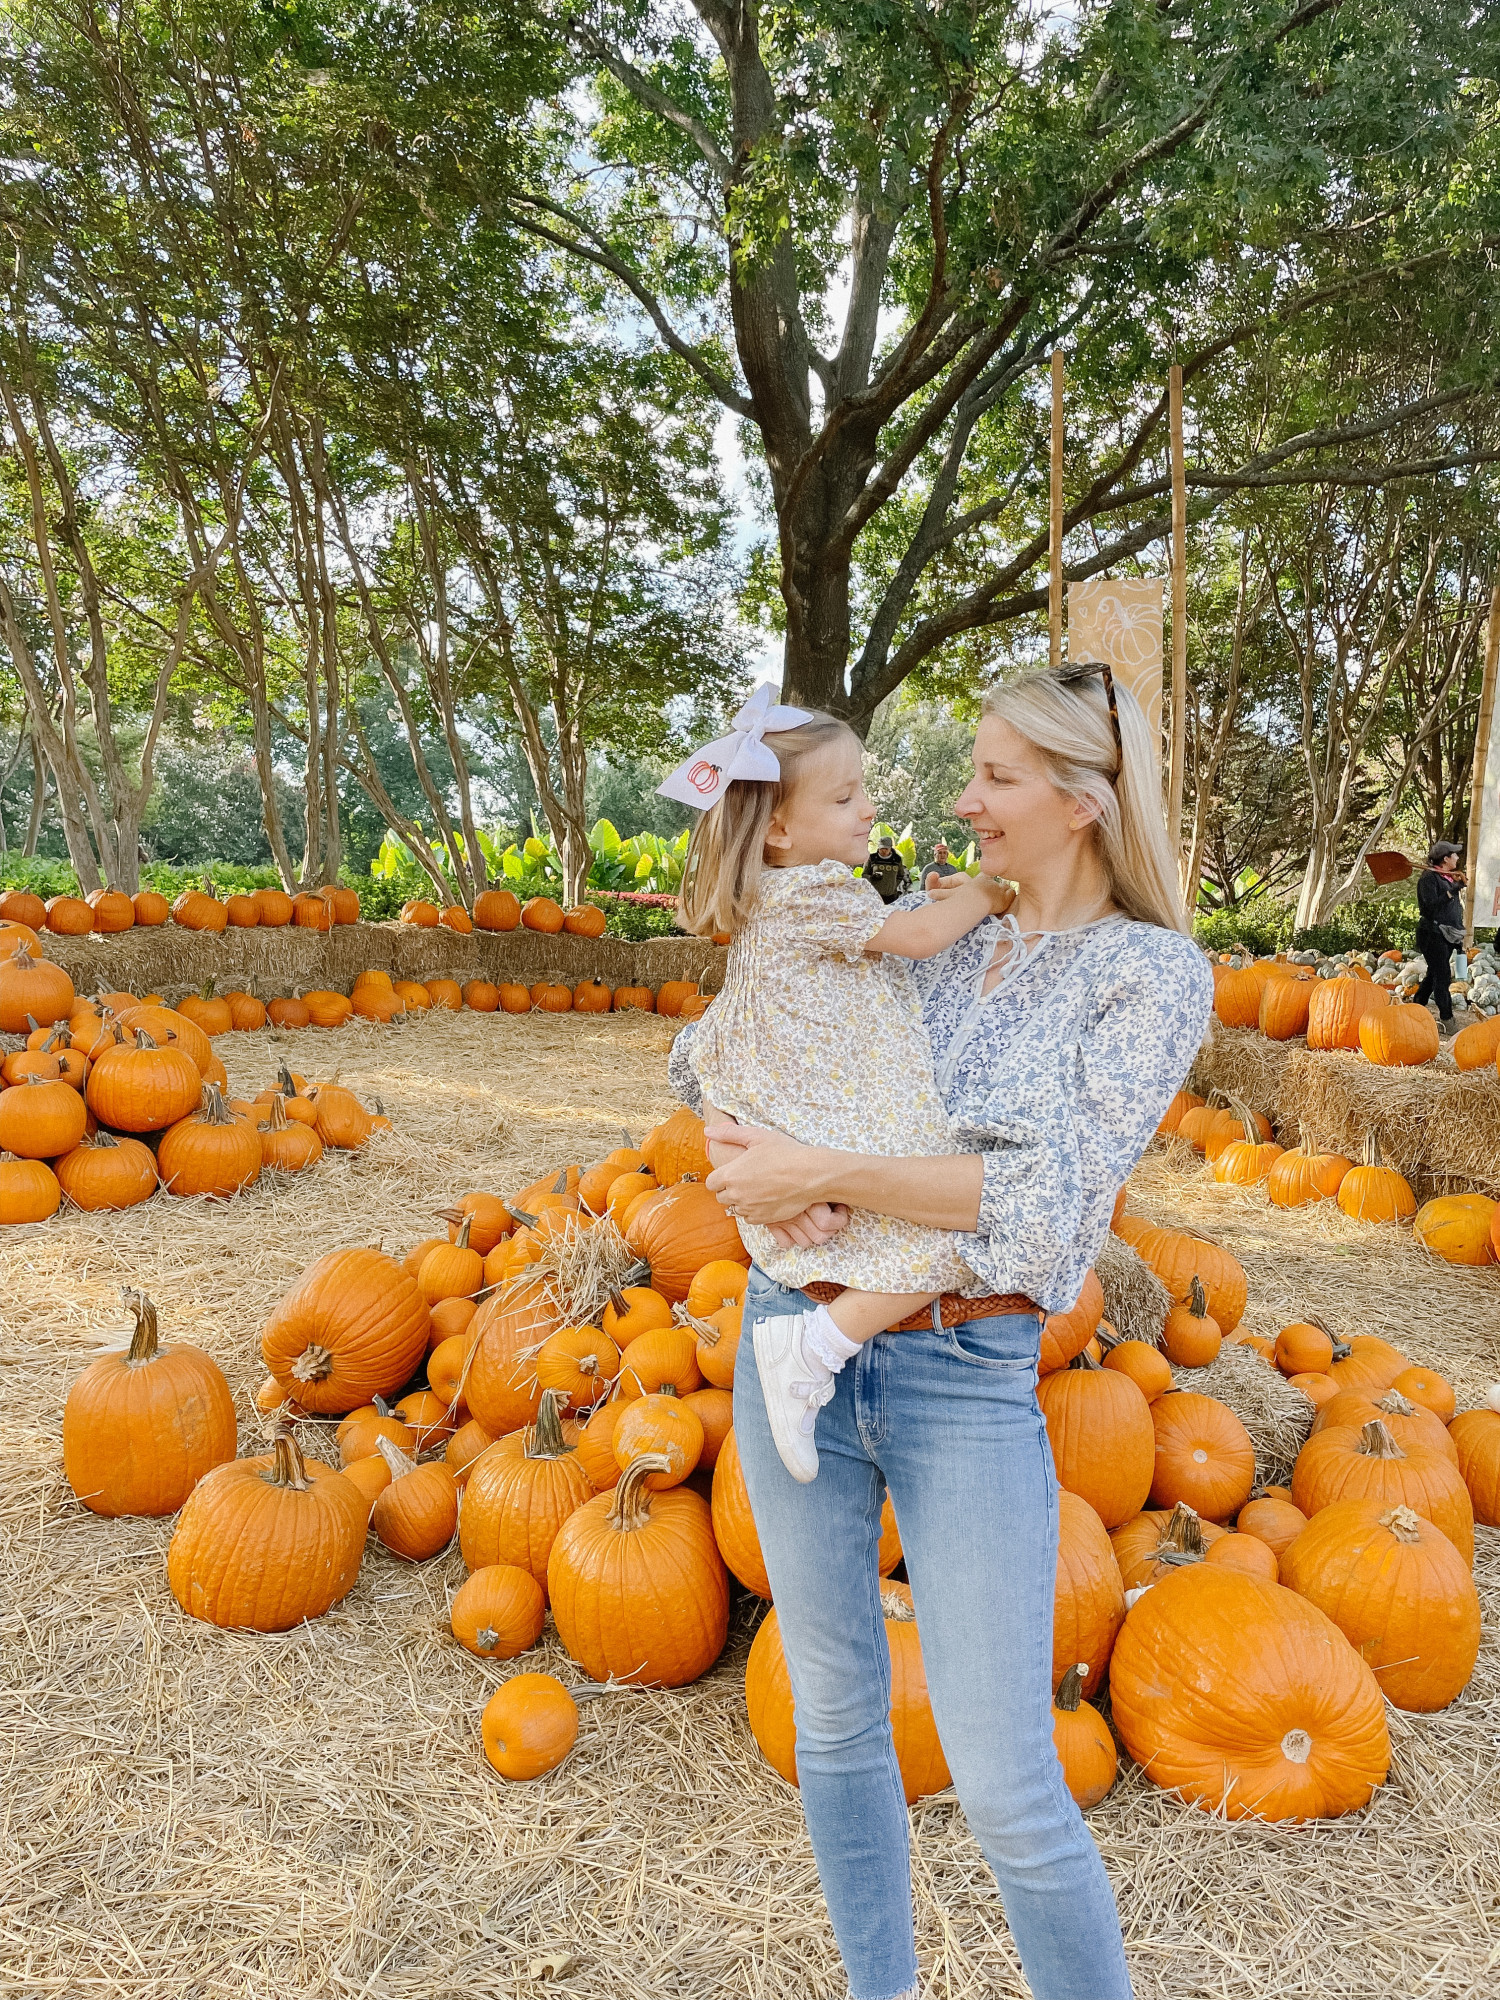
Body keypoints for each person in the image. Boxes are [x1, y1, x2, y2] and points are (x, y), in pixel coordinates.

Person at [669, 661, 1212, 2000]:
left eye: (995, 778)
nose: (960, 800)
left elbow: (1050, 1199)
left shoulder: (1148, 976)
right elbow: (716, 1049)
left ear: (1081, 803)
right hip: (795, 1332)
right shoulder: (934, 932)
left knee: (1007, 1773)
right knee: (839, 1717)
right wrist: (750, 1139)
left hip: (965, 1373)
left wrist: (818, 1171)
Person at [662, 683, 1011, 1482]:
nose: (868, 811)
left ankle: (818, 1340)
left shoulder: (771, 902)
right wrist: (992, 894)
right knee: (970, 1232)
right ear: (779, 828)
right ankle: (817, 1346)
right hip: (836, 1109)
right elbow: (920, 938)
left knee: (944, 1226)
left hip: (799, 1110)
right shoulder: (816, 891)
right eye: (847, 796)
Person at [1414, 841, 1466, 1033]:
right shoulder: (1429, 879)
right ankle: (1446, 1019)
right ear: (1445, 859)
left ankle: (1417, 1006)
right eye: (1455, 855)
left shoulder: (1447, 878)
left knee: (1434, 974)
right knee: (1442, 976)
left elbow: (1451, 911)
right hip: (1431, 934)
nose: (1458, 858)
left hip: (1447, 935)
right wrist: (1451, 892)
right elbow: (1428, 909)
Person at [863, 832, 909, 903]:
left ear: (890, 848)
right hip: (875, 895)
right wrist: (872, 877)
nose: (884, 851)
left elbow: (900, 875)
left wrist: (893, 885)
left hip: (892, 896)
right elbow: (864, 875)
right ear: (878, 848)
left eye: (886, 849)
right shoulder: (872, 858)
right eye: (882, 849)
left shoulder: (897, 859)